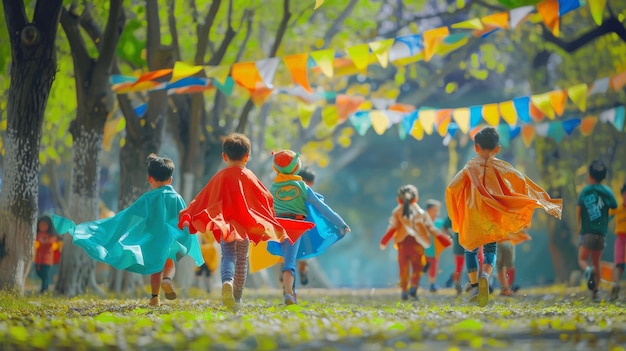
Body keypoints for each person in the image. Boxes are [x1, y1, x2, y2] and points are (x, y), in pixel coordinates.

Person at [53, 154, 204, 306]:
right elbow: (184, 216)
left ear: (150, 179)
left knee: (156, 267)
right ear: (170, 180)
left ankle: (154, 297)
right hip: (172, 238)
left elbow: (130, 214)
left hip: (153, 239)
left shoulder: (148, 198)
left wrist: (115, 227)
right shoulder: (177, 197)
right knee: (169, 262)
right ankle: (167, 280)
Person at [178, 134, 308, 309]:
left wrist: (187, 215)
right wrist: (266, 218)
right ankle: (237, 297)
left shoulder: (220, 176)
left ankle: (227, 282)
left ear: (224, 157)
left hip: (226, 227)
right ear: (247, 156)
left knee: (228, 256)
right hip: (245, 227)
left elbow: (203, 198)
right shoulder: (249, 176)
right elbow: (266, 197)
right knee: (241, 260)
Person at [446, 127, 562, 307]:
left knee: (470, 249)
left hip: (473, 218)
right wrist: (535, 198)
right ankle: (485, 275)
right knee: (491, 250)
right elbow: (520, 180)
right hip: (492, 217)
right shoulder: (501, 167)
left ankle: (476, 286)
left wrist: (457, 208)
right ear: (497, 149)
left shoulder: (468, 169)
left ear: (476, 147)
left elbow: (452, 188)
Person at [270, 150, 350, 305]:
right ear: (296, 168)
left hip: (278, 227)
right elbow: (322, 207)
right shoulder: (302, 187)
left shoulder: (273, 188)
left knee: (285, 258)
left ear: (275, 169)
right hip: (296, 226)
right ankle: (289, 294)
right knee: (290, 263)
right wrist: (340, 223)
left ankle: (289, 290)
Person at [380, 185, 449, 301]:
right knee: (417, 267)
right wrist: (444, 239)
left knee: (403, 268)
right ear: (416, 198)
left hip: (402, 245)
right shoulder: (421, 213)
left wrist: (384, 241)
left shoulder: (397, 212)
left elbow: (392, 228)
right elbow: (431, 228)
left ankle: (404, 290)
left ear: (399, 199)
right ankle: (413, 287)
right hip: (417, 245)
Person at [577, 160, 618, 301]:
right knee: (597, 261)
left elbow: (579, 209)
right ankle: (595, 292)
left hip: (587, 232)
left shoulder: (586, 191)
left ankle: (588, 270)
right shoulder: (607, 191)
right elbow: (615, 206)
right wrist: (607, 218)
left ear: (590, 176)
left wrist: (579, 228)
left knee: (582, 259)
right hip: (601, 233)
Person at [423, 199, 447, 293]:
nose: (437, 212)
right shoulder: (423, 222)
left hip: (434, 250)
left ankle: (432, 284)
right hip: (423, 250)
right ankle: (421, 281)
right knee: (424, 266)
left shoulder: (439, 223)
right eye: (435, 210)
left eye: (438, 210)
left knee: (433, 266)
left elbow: (444, 232)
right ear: (429, 210)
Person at [34, 215, 61, 293]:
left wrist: (44, 241)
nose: (42, 227)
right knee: (38, 272)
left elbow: (51, 241)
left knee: (45, 275)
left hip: (47, 259)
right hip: (38, 258)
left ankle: (44, 289)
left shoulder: (52, 236)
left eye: (44, 225)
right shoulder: (37, 234)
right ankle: (44, 288)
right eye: (41, 225)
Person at [610, 183, 626, 301]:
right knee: (618, 263)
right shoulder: (618, 209)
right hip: (620, 239)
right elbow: (606, 215)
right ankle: (616, 285)